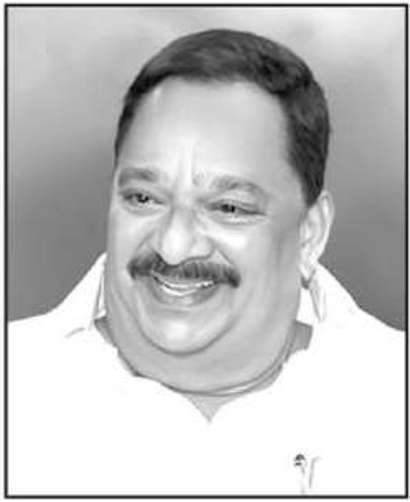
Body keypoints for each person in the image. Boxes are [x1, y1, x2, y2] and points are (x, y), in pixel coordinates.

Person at [9, 29, 404, 496]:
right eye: (144, 198)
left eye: (228, 207)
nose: (174, 246)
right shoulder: (16, 388)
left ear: (310, 232)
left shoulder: (391, 401)